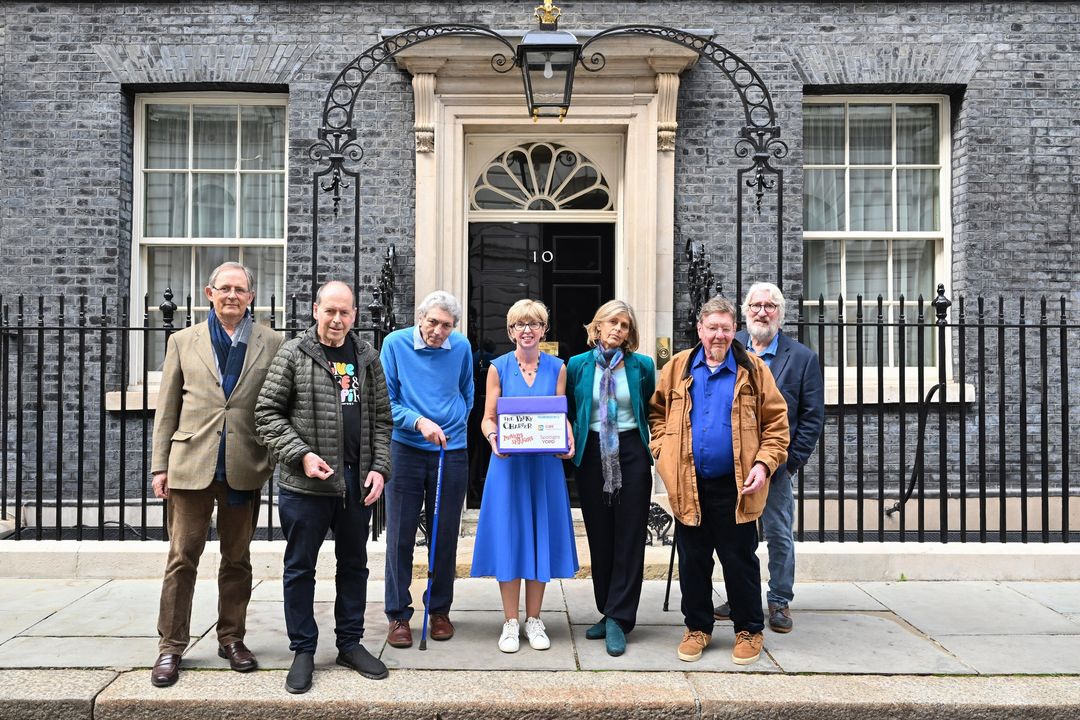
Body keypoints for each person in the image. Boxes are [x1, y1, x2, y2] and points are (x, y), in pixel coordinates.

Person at [149, 261, 282, 688]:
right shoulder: (182, 341)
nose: (231, 296)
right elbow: (167, 408)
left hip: (243, 466)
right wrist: (159, 466)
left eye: (239, 289)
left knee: (237, 560)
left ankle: (232, 638)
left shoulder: (272, 342)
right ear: (209, 293)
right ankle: (171, 647)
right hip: (190, 466)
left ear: (251, 297)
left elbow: (279, 405)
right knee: (181, 559)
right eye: (224, 288)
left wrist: (273, 458)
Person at [255, 281, 392, 693]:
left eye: (344, 313)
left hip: (356, 481)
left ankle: (350, 643)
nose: (337, 320)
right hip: (305, 485)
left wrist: (380, 468)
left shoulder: (367, 357)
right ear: (316, 310)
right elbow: (266, 413)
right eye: (329, 311)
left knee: (354, 565)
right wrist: (300, 454)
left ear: (354, 315)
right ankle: (303, 650)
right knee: (301, 568)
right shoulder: (295, 353)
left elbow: (383, 420)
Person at [648, 296, 789, 666]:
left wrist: (764, 464)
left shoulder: (754, 370)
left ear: (733, 331)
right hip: (688, 483)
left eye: (726, 328)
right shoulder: (678, 366)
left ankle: (748, 629)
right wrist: (662, 453)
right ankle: (697, 627)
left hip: (737, 484)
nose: (719, 335)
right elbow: (657, 413)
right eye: (713, 328)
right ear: (700, 329)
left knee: (738, 559)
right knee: (693, 560)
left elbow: (777, 426)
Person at [714, 282, 824, 633]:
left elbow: (811, 417)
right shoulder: (729, 348)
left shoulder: (802, 358)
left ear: (781, 312)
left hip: (775, 466)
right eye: (756, 305)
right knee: (734, 534)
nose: (763, 311)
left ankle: (779, 600)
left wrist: (789, 463)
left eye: (770, 305)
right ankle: (740, 596)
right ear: (745, 311)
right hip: (731, 463)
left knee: (777, 533)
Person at [471, 299, 578, 653]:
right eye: (520, 324)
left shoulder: (558, 367)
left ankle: (534, 618)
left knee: (538, 536)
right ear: (510, 331)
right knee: (511, 536)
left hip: (544, 466)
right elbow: (487, 417)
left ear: (544, 330)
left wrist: (569, 437)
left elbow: (560, 415)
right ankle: (509, 621)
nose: (527, 330)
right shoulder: (497, 368)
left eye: (534, 323)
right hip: (508, 466)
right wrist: (493, 437)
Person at [379, 290, 473, 648]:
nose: (437, 331)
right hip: (406, 449)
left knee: (444, 535)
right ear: (420, 318)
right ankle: (398, 615)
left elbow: (467, 392)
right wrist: (419, 423)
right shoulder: (395, 344)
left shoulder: (461, 347)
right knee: (400, 535)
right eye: (432, 322)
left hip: (451, 450)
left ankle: (439, 610)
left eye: (446, 325)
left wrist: (454, 423)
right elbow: (387, 401)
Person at [565, 300, 655, 657]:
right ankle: (607, 609)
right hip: (592, 457)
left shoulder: (643, 366)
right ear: (597, 326)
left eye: (625, 325)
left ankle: (620, 617)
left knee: (629, 536)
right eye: (612, 322)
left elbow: (651, 409)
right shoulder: (576, 366)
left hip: (630, 453)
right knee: (600, 537)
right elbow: (570, 410)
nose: (619, 329)